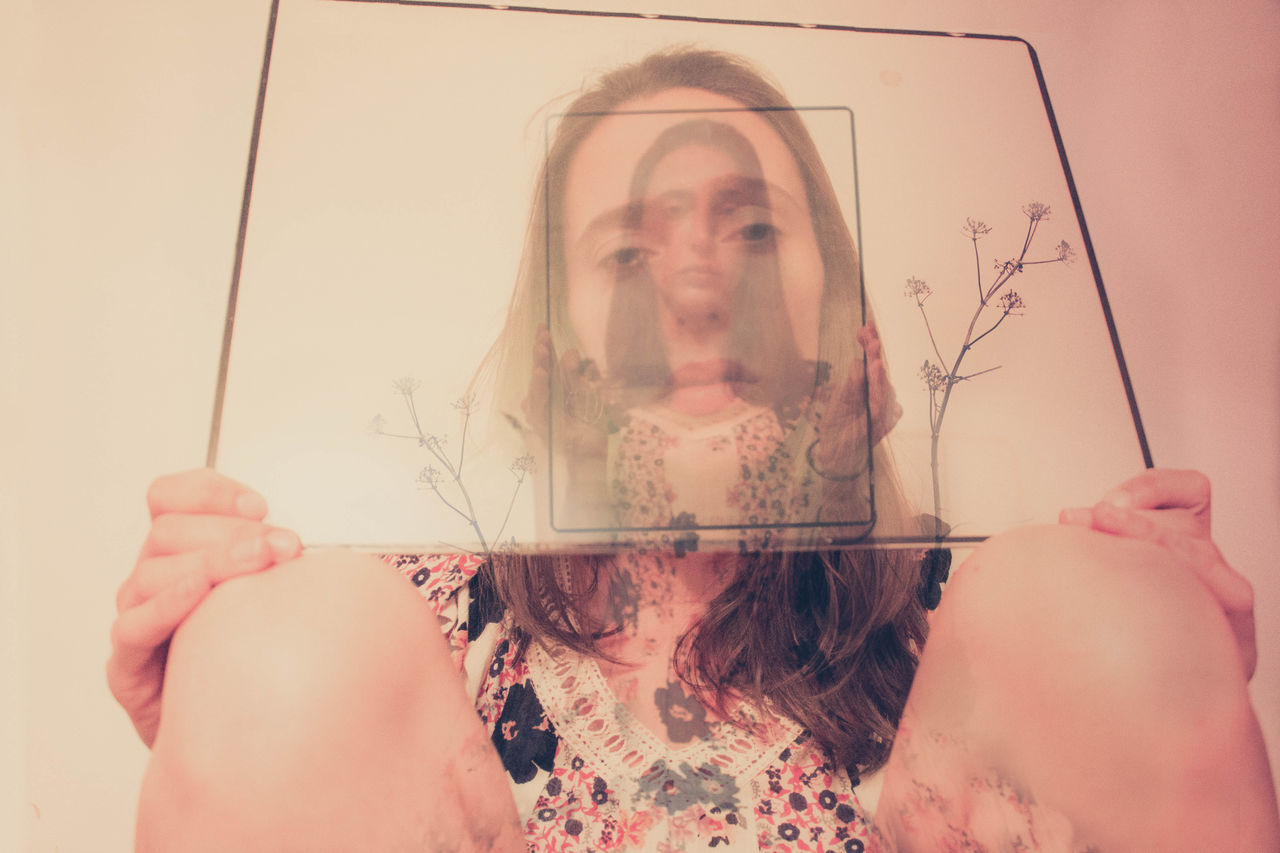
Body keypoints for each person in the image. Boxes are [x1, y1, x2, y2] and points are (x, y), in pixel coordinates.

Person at [108, 48, 1279, 851]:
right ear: (549, 350)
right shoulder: (397, 625)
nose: (698, 287)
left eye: (754, 234)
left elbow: (1106, 669)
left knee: (1092, 610)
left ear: (849, 325)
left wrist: (1155, 669)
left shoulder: (982, 622)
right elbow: (284, 715)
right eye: (626, 253)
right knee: (276, 646)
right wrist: (236, 708)